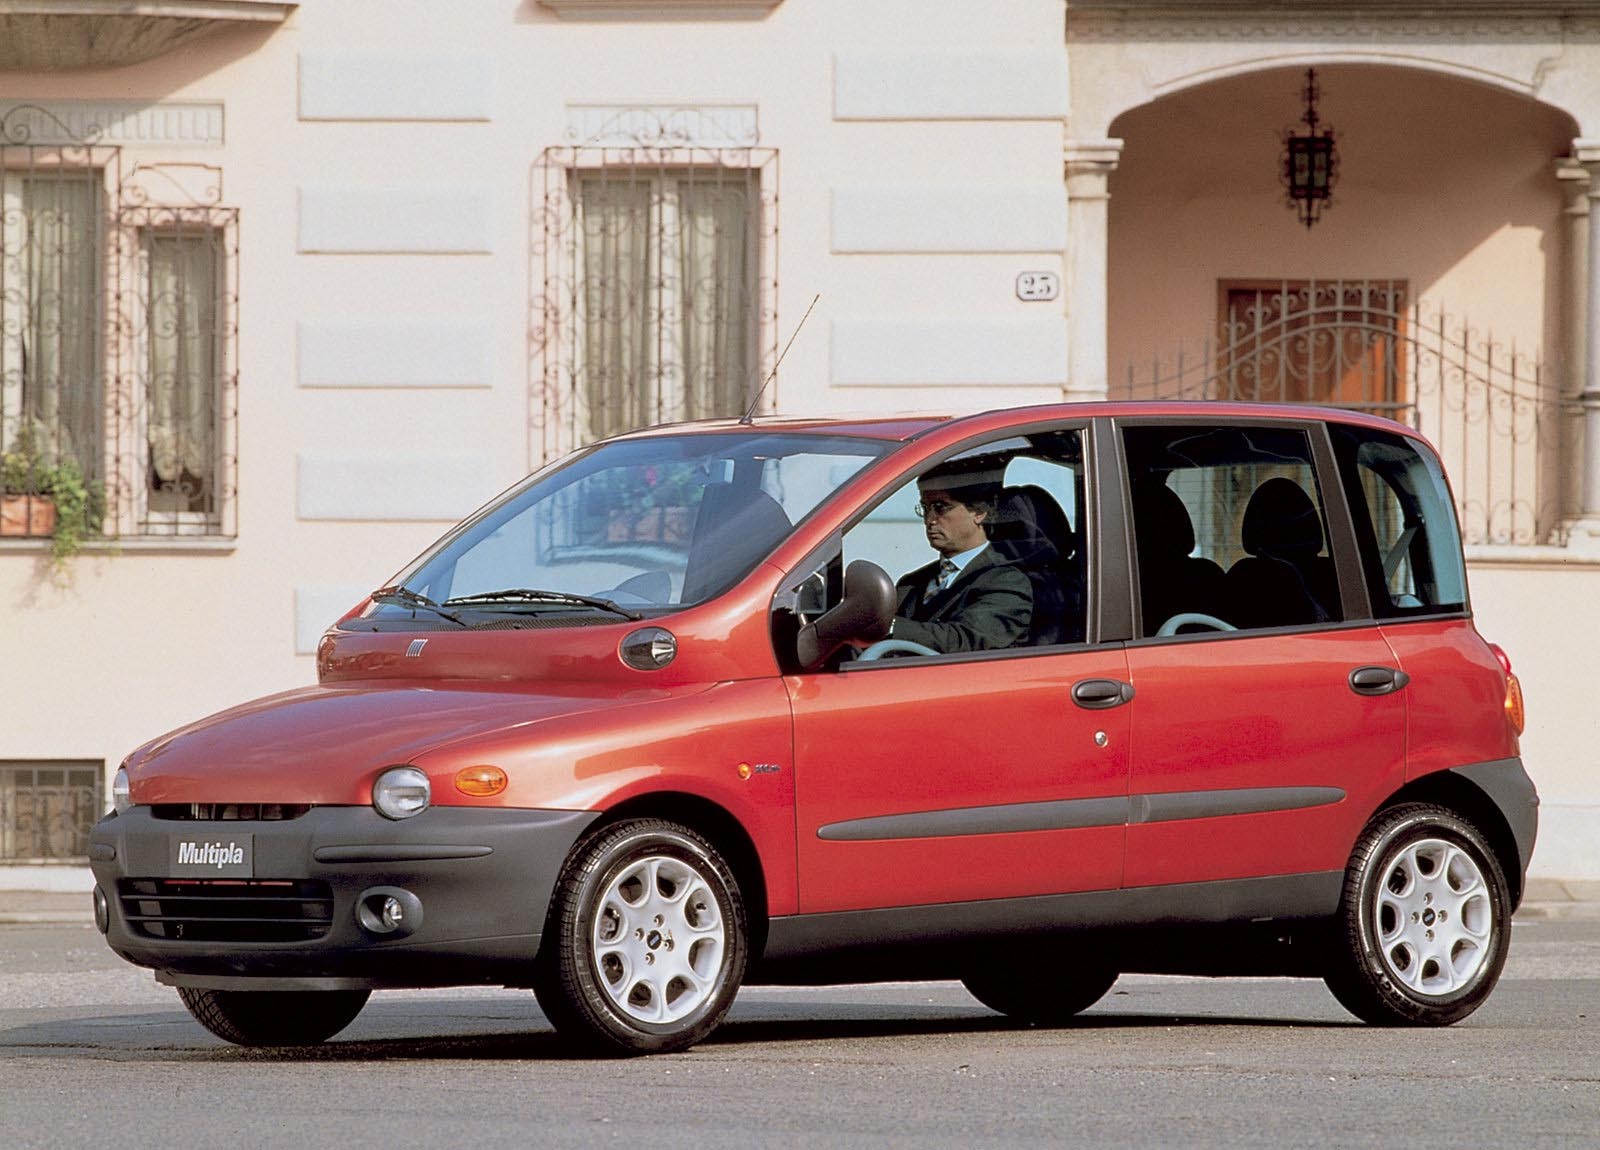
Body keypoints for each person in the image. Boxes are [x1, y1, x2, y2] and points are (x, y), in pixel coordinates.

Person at [887, 461, 1033, 654]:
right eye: (925, 508)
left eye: (940, 507)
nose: (929, 520)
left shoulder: (1007, 581)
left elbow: (965, 639)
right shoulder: (912, 583)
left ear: (979, 512)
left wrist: (889, 627)